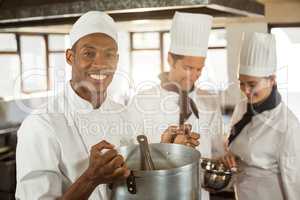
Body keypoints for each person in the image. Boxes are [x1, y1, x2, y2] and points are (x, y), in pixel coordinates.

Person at [15, 11, 131, 200]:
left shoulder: (125, 114)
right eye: (89, 53)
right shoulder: (40, 124)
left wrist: (167, 149)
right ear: (70, 57)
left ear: (117, 61)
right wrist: (90, 178)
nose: (100, 64)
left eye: (108, 54)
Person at [126, 12, 225, 200]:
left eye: (199, 69)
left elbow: (216, 152)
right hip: (155, 194)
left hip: (198, 195)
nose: (194, 75)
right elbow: (129, 158)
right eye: (188, 68)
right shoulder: (141, 101)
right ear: (170, 59)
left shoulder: (209, 102)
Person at [221, 32, 300, 200]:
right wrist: (230, 155)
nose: (246, 91)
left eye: (252, 84)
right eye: (241, 83)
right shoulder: (242, 107)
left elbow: (294, 182)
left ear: (272, 80)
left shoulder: (288, 125)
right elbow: (234, 145)